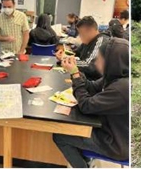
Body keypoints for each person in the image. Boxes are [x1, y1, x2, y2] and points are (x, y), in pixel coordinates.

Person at [54, 38, 129, 168]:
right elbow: (92, 86)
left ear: (110, 62)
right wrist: (75, 71)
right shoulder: (114, 77)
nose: (96, 61)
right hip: (109, 129)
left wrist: (76, 76)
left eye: (99, 58)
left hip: (116, 143)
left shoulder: (120, 89)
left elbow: (86, 106)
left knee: (60, 136)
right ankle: (85, 161)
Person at [55, 16, 113, 80]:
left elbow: (90, 65)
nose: (80, 36)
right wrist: (63, 54)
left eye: (81, 33)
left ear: (90, 31)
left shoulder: (101, 41)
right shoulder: (88, 40)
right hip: (84, 77)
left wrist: (66, 58)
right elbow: (75, 53)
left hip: (93, 83)